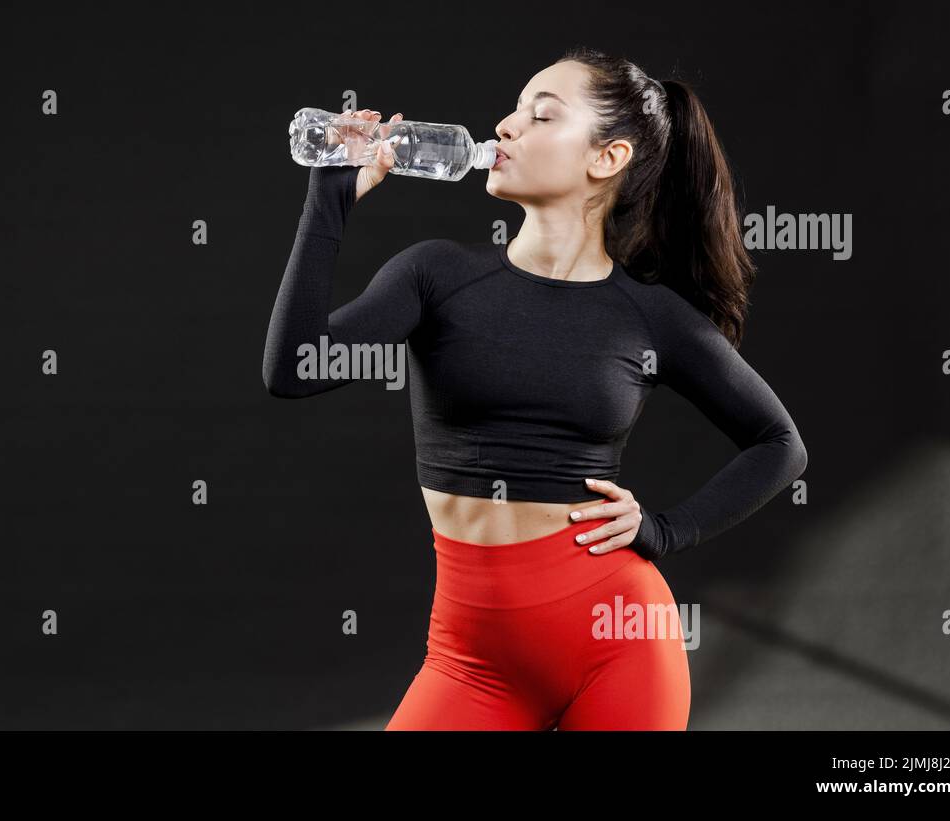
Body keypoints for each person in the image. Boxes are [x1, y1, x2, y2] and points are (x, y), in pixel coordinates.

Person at [262, 46, 808, 730]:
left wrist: (666, 529)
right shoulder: (435, 276)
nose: (508, 126)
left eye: (541, 115)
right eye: (515, 110)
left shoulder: (648, 314)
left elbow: (779, 442)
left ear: (605, 159)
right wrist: (330, 201)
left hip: (619, 641)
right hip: (469, 657)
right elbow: (293, 369)